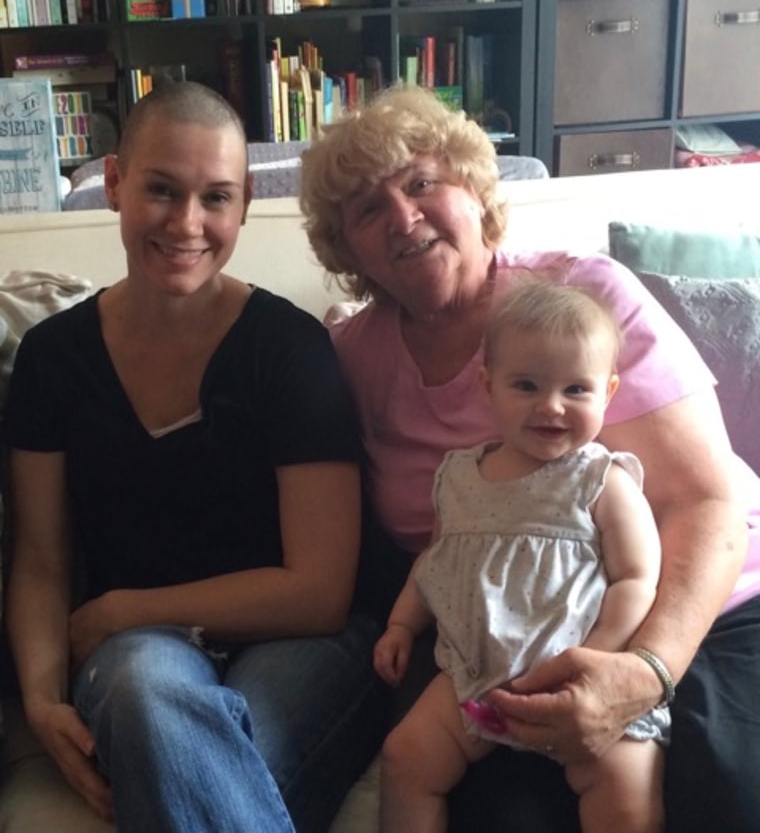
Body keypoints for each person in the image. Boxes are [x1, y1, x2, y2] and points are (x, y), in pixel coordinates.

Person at [299, 84, 760, 832]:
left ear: (475, 191)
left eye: (421, 183)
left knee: (729, 796)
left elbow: (707, 503)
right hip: (503, 642)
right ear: (347, 247)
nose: (404, 219)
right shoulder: (350, 358)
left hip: (701, 609)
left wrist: (642, 671)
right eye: (368, 209)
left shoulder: (582, 297)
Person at [3, 81, 383, 833]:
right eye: (161, 190)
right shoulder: (52, 360)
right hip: (142, 660)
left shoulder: (289, 350)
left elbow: (320, 590)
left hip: (300, 641)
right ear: (114, 182)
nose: (188, 223)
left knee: (198, 754)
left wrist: (123, 609)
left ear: (243, 205)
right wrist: (44, 701)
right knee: (153, 702)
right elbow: (41, 561)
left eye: (216, 197)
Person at [374, 280, 667, 833]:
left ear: (607, 393)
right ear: (488, 387)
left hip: (579, 673)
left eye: (576, 390)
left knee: (625, 784)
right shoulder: (459, 475)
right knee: (405, 757)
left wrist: (597, 660)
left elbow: (637, 577)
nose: (551, 406)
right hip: (475, 671)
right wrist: (399, 625)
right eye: (527, 385)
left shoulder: (601, 478)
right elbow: (434, 562)